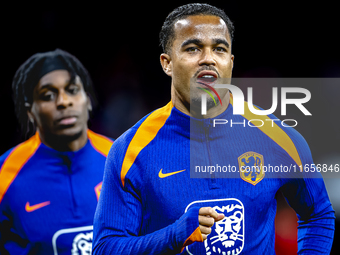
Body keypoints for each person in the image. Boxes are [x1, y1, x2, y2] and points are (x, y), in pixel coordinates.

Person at [92, 3, 335, 254]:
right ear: (167, 63)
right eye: (193, 48)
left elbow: (319, 214)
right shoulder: (130, 150)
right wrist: (174, 235)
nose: (208, 59)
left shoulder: (276, 136)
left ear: (230, 62)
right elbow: (105, 247)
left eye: (219, 49)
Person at [0, 49, 113, 254]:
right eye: (48, 95)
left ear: (87, 100)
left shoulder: (123, 160)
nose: (63, 102)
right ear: (30, 111)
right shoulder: (5, 174)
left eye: (72, 90)